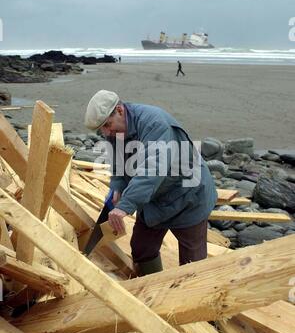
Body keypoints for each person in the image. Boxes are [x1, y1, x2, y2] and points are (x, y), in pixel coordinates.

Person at [85, 90, 217, 276]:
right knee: (142, 249)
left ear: (120, 110)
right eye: (102, 129)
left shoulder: (155, 124)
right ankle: (151, 293)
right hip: (154, 199)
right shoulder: (115, 132)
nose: (107, 132)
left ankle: (192, 299)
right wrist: (117, 186)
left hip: (187, 196)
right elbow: (118, 164)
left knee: (191, 263)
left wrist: (125, 206)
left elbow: (153, 170)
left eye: (108, 124)